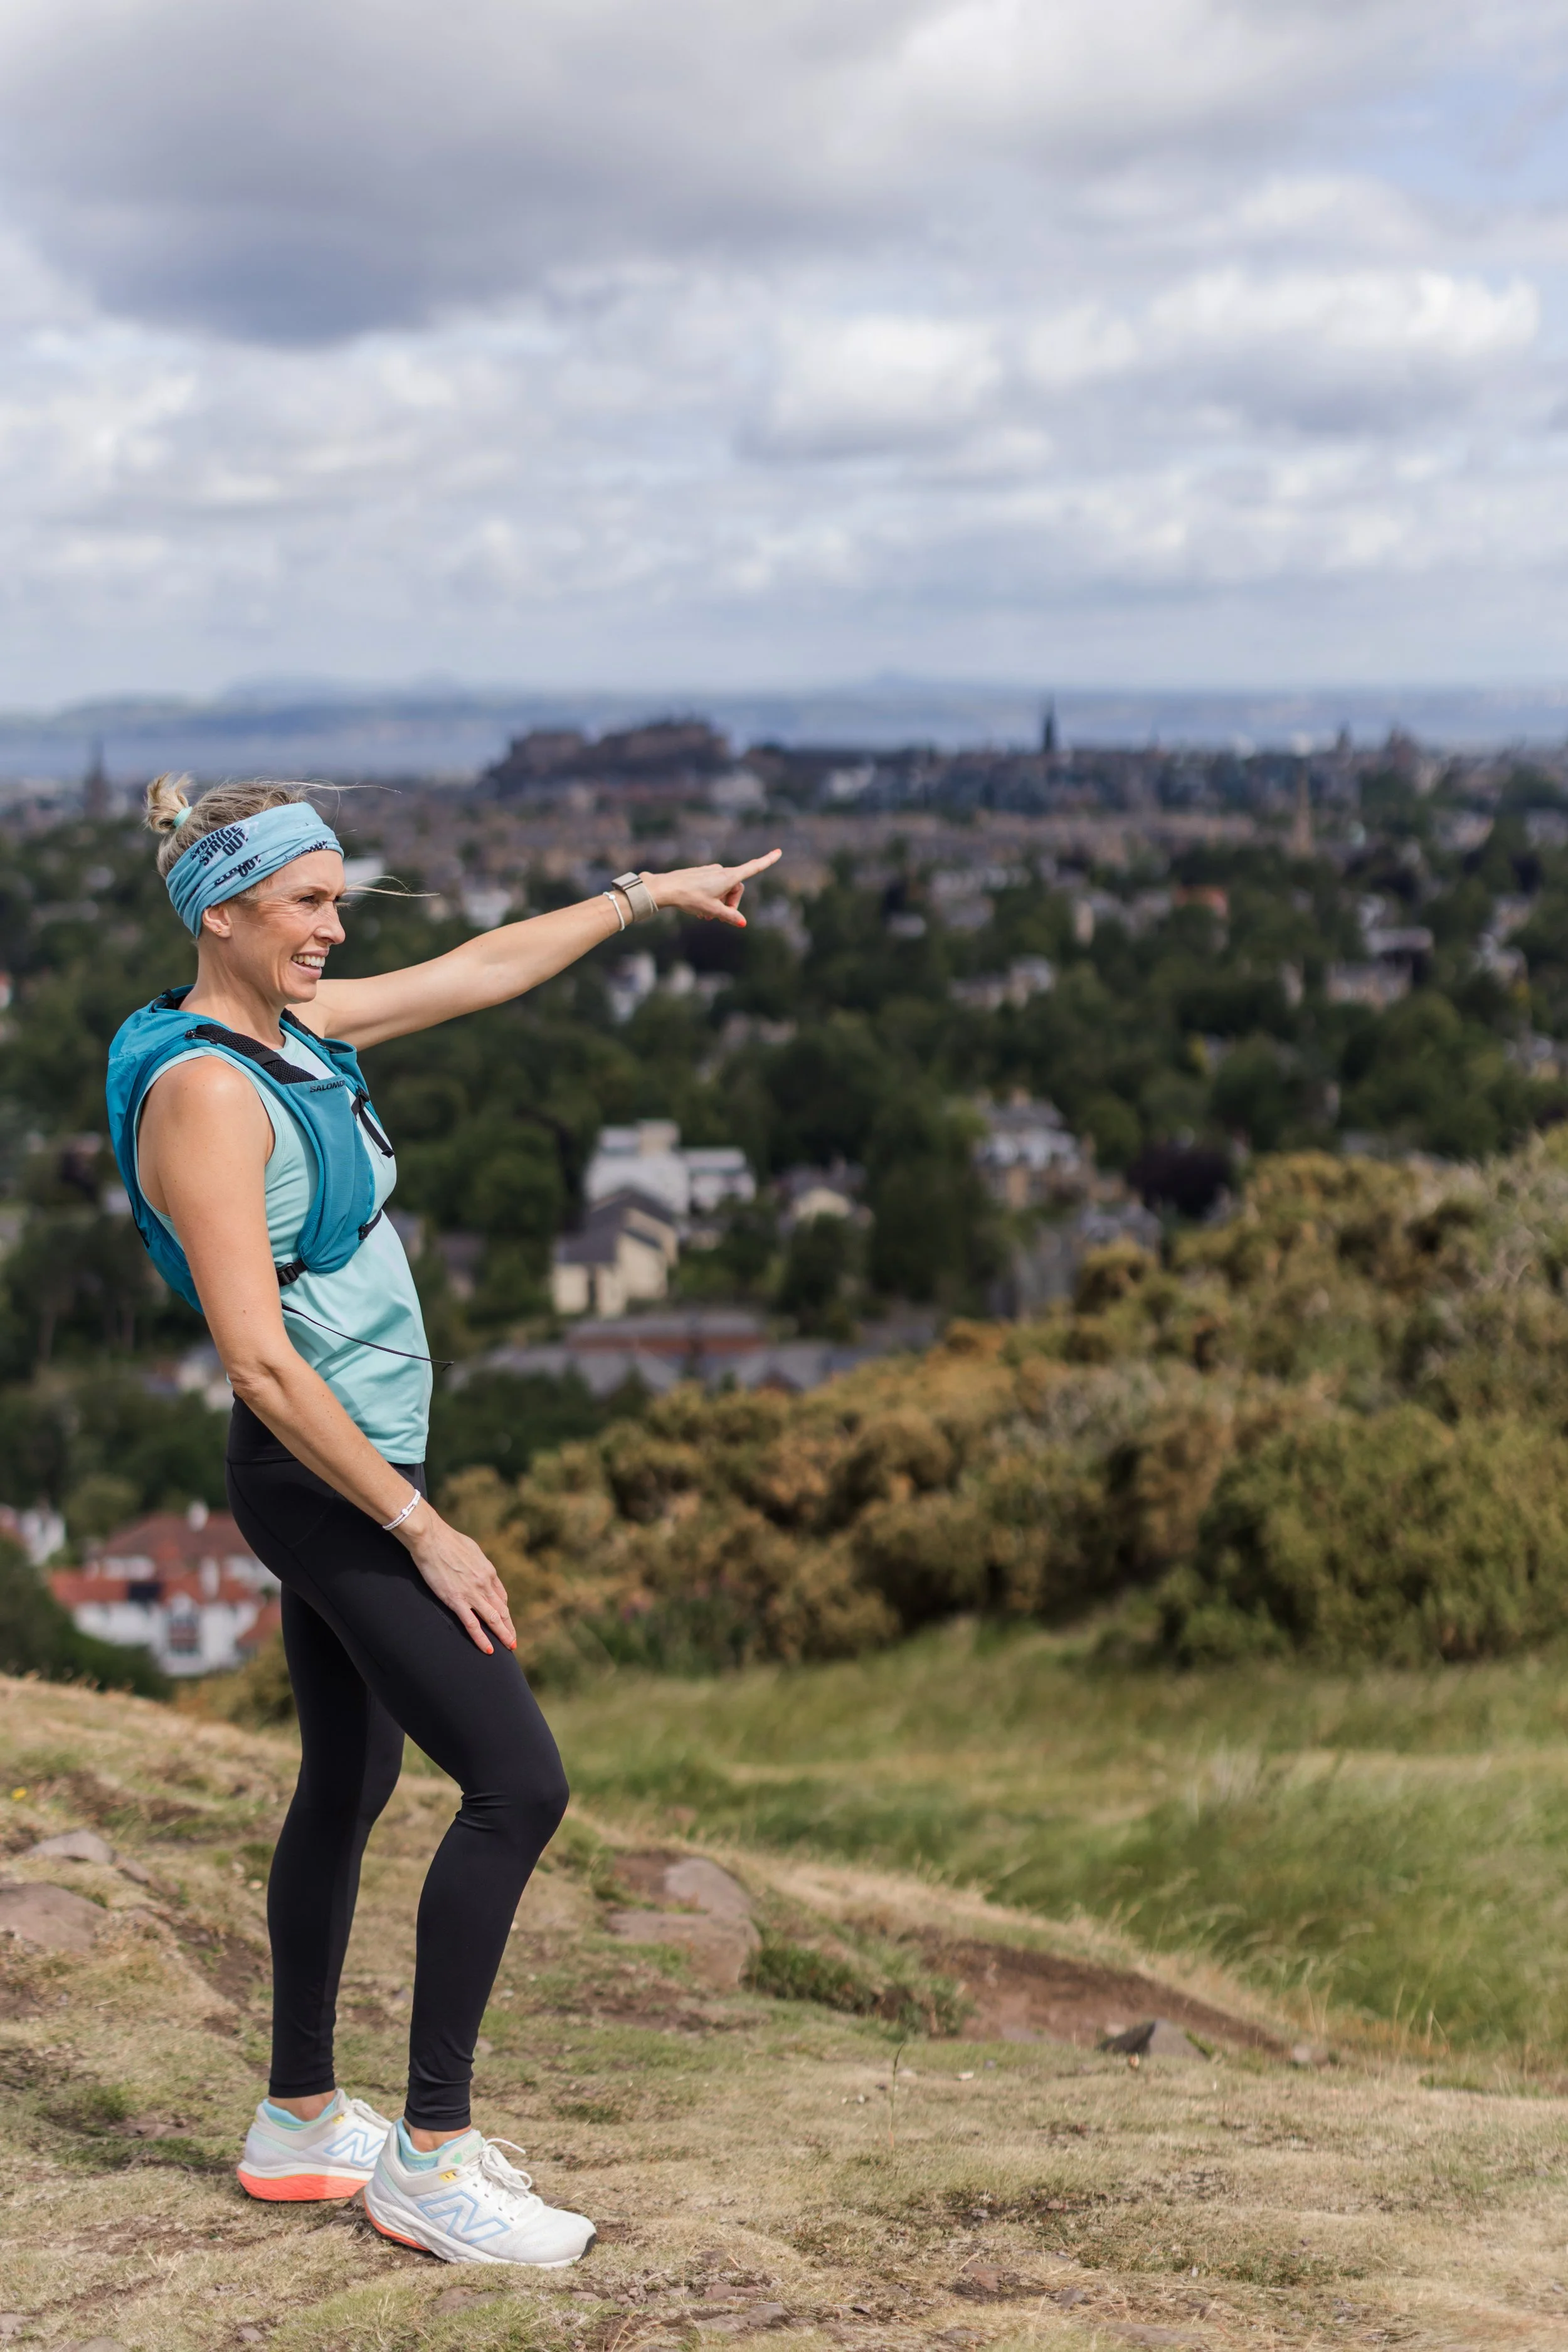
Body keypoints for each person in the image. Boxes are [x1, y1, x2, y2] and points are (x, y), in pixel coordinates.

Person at [107, 776, 780, 2267]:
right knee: (516, 1783)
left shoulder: (288, 1038)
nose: (335, 930)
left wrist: (644, 895)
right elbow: (260, 1361)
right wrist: (422, 1528)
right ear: (222, 909)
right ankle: (429, 2156)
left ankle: (298, 2121)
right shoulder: (209, 1092)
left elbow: (477, 971)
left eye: (340, 900)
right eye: (309, 904)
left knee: (345, 1784)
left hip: (347, 1472)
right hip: (326, 1485)